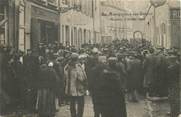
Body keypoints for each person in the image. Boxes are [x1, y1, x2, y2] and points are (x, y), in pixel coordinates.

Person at [64, 53, 87, 117]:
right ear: (77, 59)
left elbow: (65, 76)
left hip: (69, 88)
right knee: (80, 104)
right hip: (78, 89)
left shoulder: (67, 66)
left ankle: (73, 115)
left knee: (72, 104)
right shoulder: (77, 66)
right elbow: (81, 77)